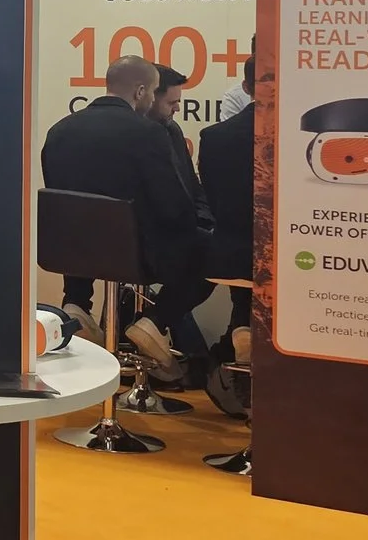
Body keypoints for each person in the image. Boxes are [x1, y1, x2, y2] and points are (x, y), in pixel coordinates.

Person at [40, 55, 206, 380]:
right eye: (154, 92)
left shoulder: (58, 131)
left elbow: (64, 203)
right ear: (141, 91)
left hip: (71, 255)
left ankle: (76, 305)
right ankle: (154, 322)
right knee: (209, 252)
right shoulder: (149, 134)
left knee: (89, 231)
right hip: (135, 258)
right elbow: (174, 207)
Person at [145, 64, 217, 380]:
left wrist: (204, 220)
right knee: (211, 255)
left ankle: (154, 322)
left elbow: (191, 184)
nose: (177, 109)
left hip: (182, 227)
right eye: (171, 103)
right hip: (148, 237)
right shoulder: (135, 137)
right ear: (148, 96)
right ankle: (155, 322)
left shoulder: (171, 130)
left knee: (216, 248)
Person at [195, 56, 256, 416]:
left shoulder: (214, 138)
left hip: (230, 253)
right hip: (290, 258)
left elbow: (214, 199)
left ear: (246, 87)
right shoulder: (300, 135)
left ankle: (242, 328)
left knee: (244, 297)